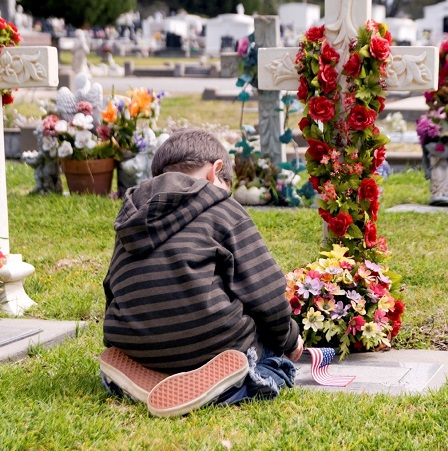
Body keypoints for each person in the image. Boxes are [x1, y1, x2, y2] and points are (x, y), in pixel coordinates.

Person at [100, 128, 303, 417]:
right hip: (213, 345)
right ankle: (227, 386)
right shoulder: (223, 207)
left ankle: (141, 376)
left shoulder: (132, 213)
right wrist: (290, 339)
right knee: (275, 363)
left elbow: (113, 283)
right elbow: (265, 290)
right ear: (216, 171)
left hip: (133, 342)